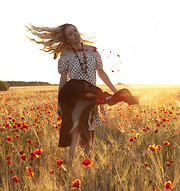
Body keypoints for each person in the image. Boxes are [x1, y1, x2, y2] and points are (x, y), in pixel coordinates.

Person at [26, 23, 138, 160]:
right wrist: (58, 104)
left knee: (88, 135)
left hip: (91, 95)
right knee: (77, 132)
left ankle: (85, 165)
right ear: (67, 39)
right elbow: (63, 80)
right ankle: (72, 167)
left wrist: (115, 91)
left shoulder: (93, 52)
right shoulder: (65, 55)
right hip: (74, 97)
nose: (75, 34)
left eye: (75, 31)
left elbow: (101, 73)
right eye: (70, 34)